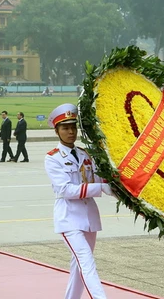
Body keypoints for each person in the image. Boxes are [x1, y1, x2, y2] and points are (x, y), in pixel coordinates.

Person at [44, 103, 114, 299]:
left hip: (89, 218)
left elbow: (100, 179)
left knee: (78, 265)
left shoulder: (85, 154)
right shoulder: (53, 158)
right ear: (57, 131)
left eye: (73, 127)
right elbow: (66, 189)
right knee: (86, 261)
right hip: (69, 218)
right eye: (65, 128)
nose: (71, 132)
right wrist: (100, 188)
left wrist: (128, 195)